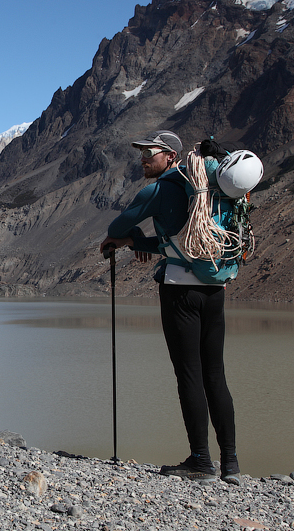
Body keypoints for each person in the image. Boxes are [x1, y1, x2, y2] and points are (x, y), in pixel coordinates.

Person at [99, 129, 240, 485]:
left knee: (189, 375)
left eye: (152, 152)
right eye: (143, 153)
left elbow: (117, 226)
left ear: (171, 157)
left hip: (180, 291)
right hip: (214, 287)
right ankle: (231, 465)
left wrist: (130, 237)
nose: (144, 158)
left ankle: (201, 461)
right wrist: (143, 241)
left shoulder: (157, 190)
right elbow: (178, 242)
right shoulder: (205, 191)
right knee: (215, 375)